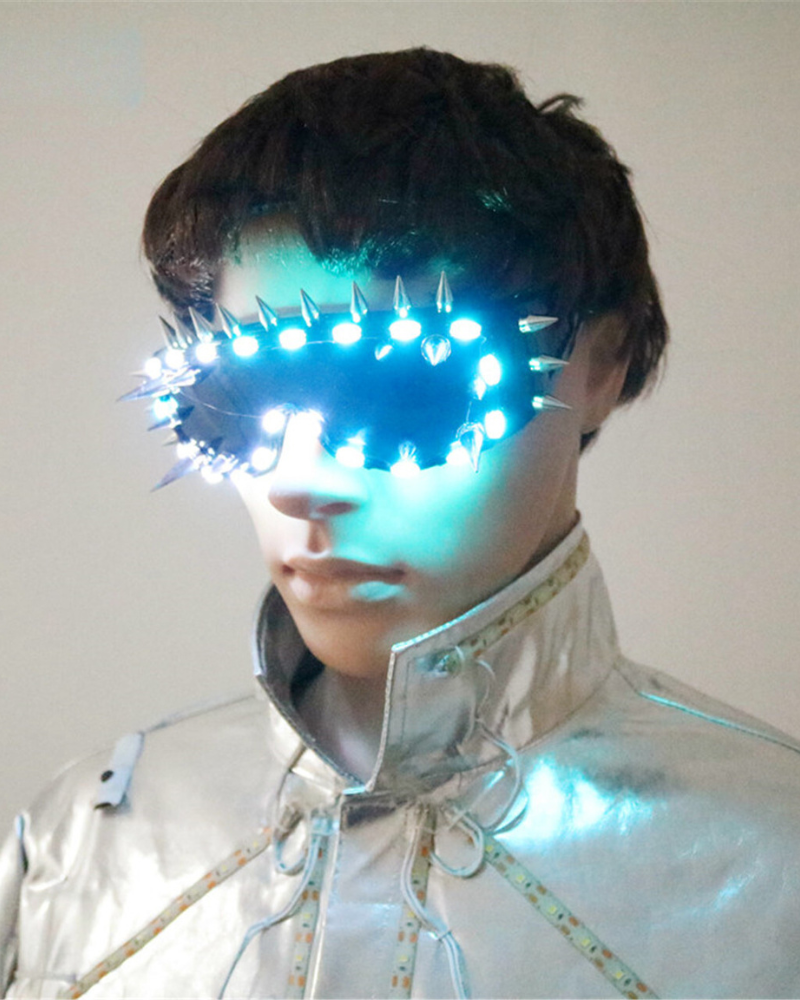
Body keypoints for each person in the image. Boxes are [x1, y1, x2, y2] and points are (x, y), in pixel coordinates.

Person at [1, 48, 799, 1000]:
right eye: (237, 394)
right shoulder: (77, 850)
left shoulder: (776, 872)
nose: (300, 480)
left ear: (603, 363)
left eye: (403, 386)